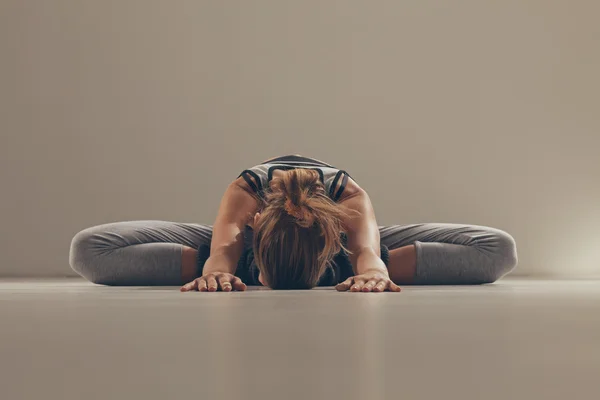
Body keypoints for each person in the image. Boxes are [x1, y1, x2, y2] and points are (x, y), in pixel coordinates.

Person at [69, 154, 518, 292]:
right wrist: (218, 269)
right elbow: (224, 247)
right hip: (245, 242)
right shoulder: (247, 195)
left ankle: (332, 268)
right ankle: (245, 271)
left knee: (497, 248)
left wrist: (373, 272)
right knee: (90, 248)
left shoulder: (349, 200)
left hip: (336, 244)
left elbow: (364, 250)